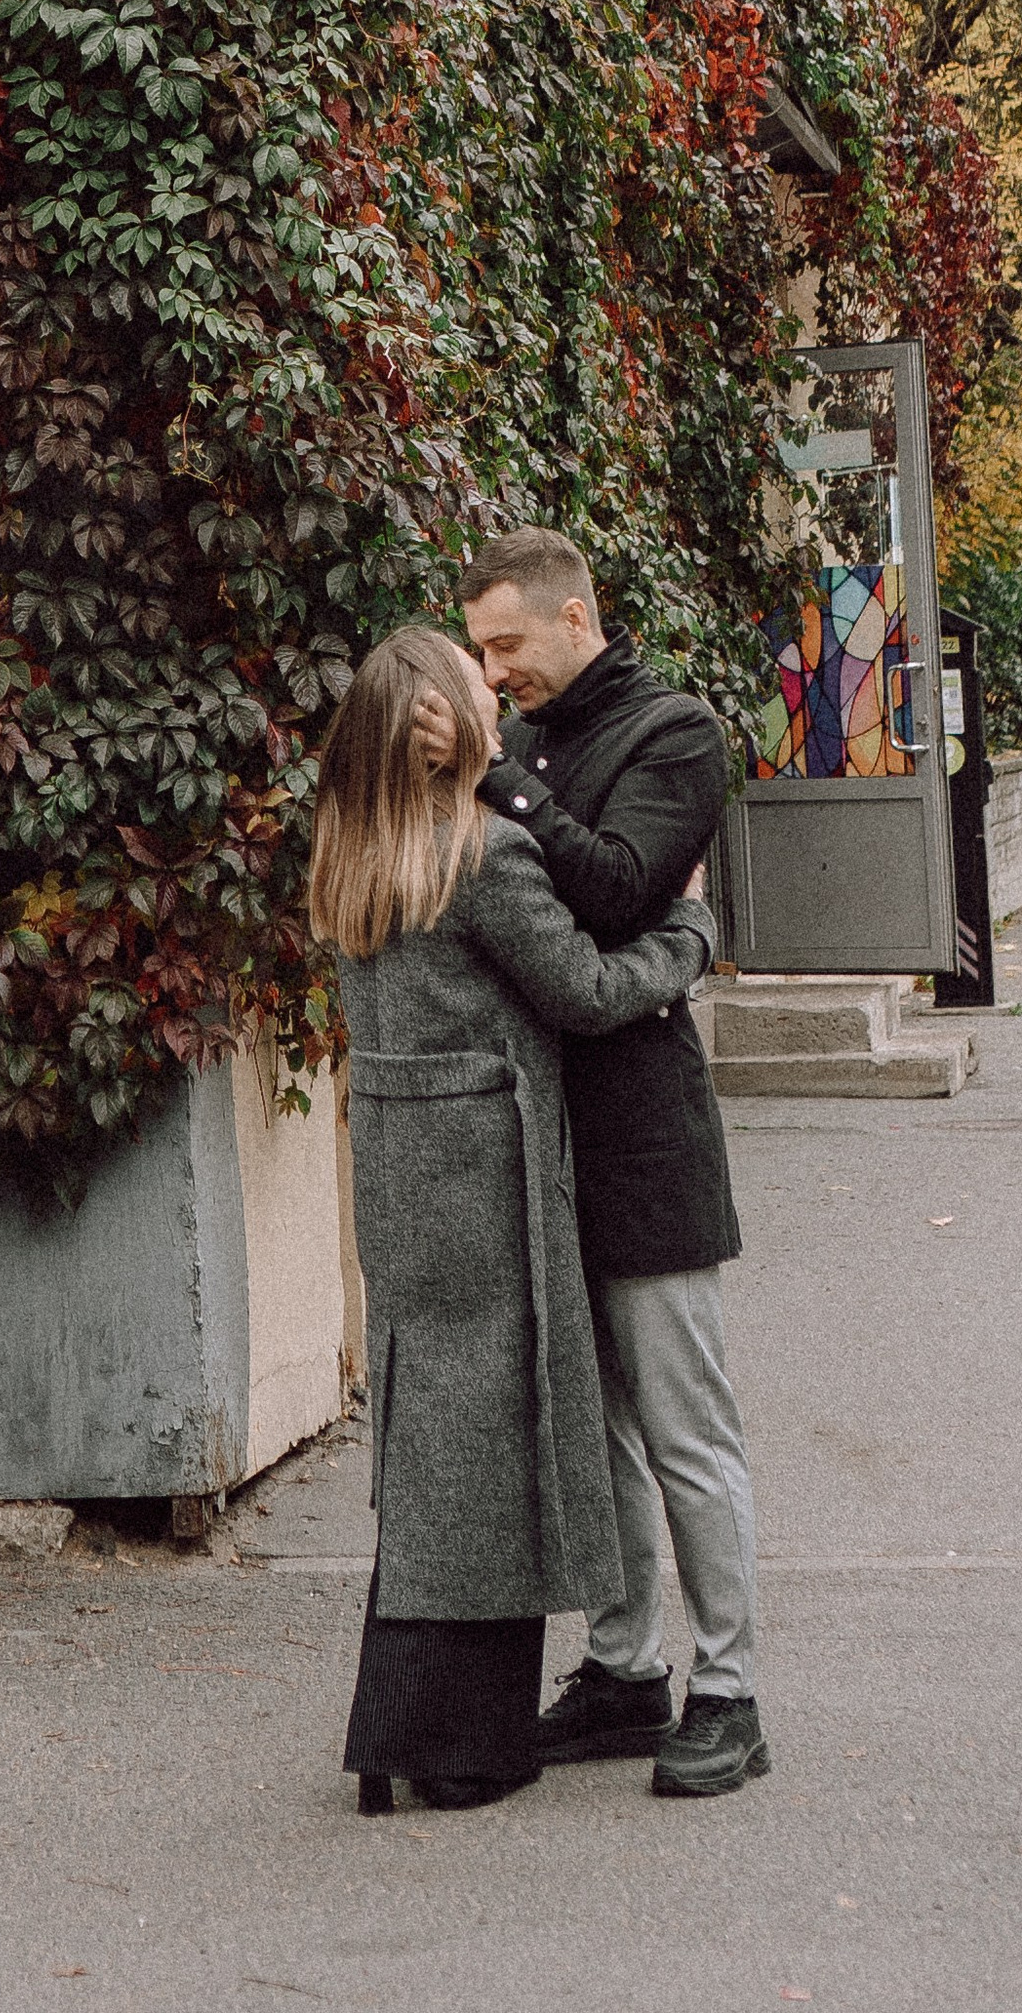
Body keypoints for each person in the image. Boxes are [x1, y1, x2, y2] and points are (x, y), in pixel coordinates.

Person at [311, 620, 720, 1819]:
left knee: (433, 1437)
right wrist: (687, 938)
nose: (495, 693)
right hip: (490, 1171)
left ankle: (404, 1725)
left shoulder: (352, 850)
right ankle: (454, 1743)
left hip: (400, 1169)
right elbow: (588, 994)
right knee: (492, 1444)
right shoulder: (482, 852)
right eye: (471, 682)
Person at [435, 525, 769, 1802]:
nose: (492, 669)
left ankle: (729, 1692)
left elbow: (623, 896)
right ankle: (628, 1672)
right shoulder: (525, 739)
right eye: (478, 650)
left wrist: (507, 792)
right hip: (541, 1134)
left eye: (506, 644)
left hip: (641, 1135)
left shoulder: (674, 733)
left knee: (686, 1430)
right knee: (604, 1433)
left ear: (578, 619)